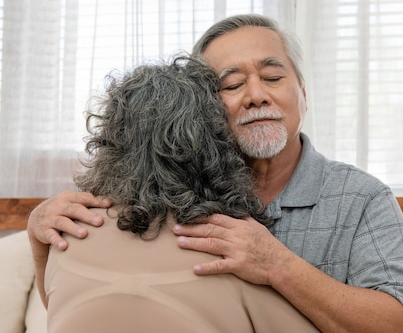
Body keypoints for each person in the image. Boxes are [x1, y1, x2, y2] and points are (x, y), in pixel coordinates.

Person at [28, 14, 403, 332]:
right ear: (202, 109)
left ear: (302, 92)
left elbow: (402, 324)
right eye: (232, 84)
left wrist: (279, 265)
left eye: (273, 77)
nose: (257, 95)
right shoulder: (167, 192)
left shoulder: (361, 197)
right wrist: (40, 234)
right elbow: (91, 308)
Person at [36, 56, 319, 332]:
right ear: (214, 144)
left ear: (111, 140)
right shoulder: (230, 254)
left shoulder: (67, 235)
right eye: (232, 85)